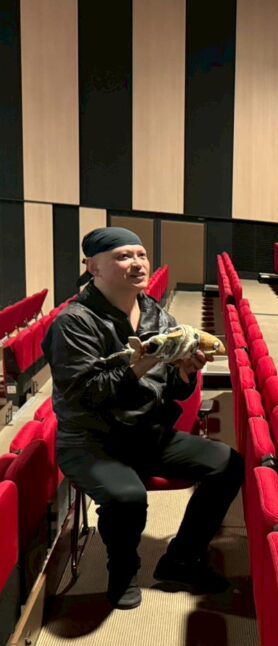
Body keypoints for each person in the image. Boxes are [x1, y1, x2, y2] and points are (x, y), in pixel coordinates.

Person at [43, 227, 243, 609]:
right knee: (128, 497)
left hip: (146, 432)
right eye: (123, 256)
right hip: (92, 441)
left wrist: (185, 372)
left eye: (141, 255)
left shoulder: (155, 313)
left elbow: (174, 390)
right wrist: (141, 365)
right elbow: (86, 395)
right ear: (93, 267)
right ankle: (122, 573)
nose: (137, 264)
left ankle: (181, 558)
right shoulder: (75, 323)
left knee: (228, 464)